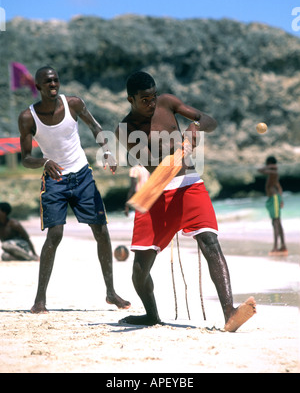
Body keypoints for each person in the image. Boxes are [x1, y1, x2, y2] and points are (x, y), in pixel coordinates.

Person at [115, 71, 256, 332]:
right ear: (130, 99)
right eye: (144, 99)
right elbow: (154, 166)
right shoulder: (125, 130)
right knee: (140, 270)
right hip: (156, 192)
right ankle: (151, 315)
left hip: (189, 184)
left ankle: (230, 312)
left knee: (210, 242)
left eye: (153, 96)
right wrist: (182, 146)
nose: (152, 103)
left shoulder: (167, 102)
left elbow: (209, 120)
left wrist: (196, 128)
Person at [18, 66, 130, 313]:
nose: (53, 84)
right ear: (37, 86)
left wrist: (107, 151)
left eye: (56, 79)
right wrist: (43, 162)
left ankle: (111, 293)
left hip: (82, 175)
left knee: (101, 231)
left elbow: (96, 128)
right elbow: (25, 158)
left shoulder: (74, 104)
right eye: (47, 81)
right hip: (54, 179)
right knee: (54, 235)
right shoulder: (28, 117)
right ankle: (40, 300)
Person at [258, 156, 288, 256]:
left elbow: (260, 170)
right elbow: (279, 187)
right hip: (274, 199)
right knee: (277, 223)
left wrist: (271, 166)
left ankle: (276, 247)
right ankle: (283, 246)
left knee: (275, 222)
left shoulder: (273, 172)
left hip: (274, 199)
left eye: (267, 163)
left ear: (270, 163)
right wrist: (282, 199)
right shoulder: (273, 174)